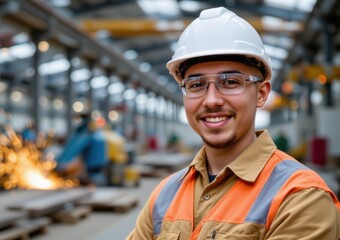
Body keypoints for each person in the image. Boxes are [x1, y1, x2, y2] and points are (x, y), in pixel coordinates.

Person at [126, 7, 340, 240]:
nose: (212, 100)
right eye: (196, 85)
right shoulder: (164, 195)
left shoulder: (299, 196)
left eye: (229, 82)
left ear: (261, 93)